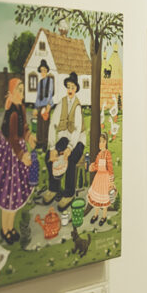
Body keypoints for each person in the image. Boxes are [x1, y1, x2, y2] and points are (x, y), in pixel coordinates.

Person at [0, 77, 36, 243]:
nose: (22, 93)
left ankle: (10, 228)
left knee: (16, 195)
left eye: (23, 90)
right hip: (11, 155)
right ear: (12, 92)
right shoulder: (12, 112)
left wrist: (29, 137)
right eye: (19, 90)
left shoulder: (21, 108)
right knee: (8, 192)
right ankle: (5, 228)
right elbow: (13, 138)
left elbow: (24, 128)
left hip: (19, 149)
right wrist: (22, 156)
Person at [44, 72, 86, 213]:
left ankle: (69, 193)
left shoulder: (77, 106)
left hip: (78, 140)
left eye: (73, 87)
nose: (70, 90)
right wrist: (52, 148)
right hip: (64, 138)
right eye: (68, 87)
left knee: (71, 159)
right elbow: (53, 125)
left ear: (76, 89)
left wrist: (69, 148)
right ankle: (54, 188)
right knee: (48, 157)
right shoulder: (61, 103)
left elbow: (77, 130)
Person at [86, 133, 115, 227]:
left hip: (105, 178)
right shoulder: (99, 154)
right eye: (100, 142)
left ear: (106, 142)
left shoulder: (107, 154)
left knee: (104, 197)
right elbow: (96, 166)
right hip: (98, 177)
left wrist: (111, 181)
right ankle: (95, 215)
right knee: (96, 197)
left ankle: (104, 216)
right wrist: (90, 167)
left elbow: (110, 168)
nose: (101, 144)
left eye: (103, 141)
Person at [34, 59, 54, 149]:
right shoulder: (40, 83)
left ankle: (45, 143)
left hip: (47, 105)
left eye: (44, 70)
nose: (43, 72)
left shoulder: (50, 81)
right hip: (40, 105)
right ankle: (39, 142)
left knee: (45, 125)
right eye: (41, 71)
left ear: (47, 71)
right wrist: (35, 107)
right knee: (39, 124)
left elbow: (50, 93)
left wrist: (48, 105)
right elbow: (38, 95)